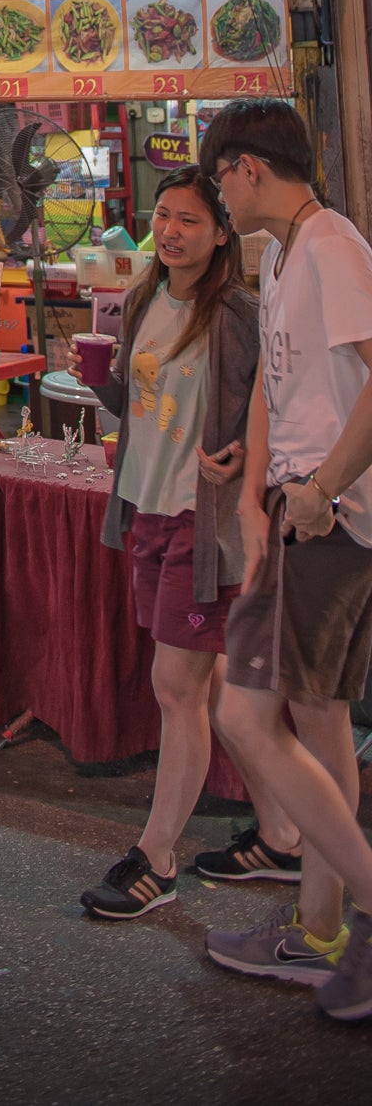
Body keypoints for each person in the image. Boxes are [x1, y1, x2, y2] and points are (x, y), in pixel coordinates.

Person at [77, 168, 298, 919]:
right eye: (163, 217)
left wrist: (241, 453)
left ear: (222, 231)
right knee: (214, 689)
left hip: (204, 525)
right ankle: (283, 834)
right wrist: (99, 381)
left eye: (190, 222)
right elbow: (137, 404)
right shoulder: (144, 297)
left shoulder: (239, 312)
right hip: (148, 508)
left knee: (178, 689)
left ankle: (157, 856)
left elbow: (277, 407)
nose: (170, 232)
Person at [194, 100, 372, 1017]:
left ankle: (362, 920)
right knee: (322, 726)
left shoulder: (335, 246)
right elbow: (277, 377)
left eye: (218, 173)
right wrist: (255, 483)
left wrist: (324, 489)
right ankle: (318, 932)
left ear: (250, 167)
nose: (216, 191)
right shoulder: (281, 253)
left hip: (330, 524)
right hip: (297, 514)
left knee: (247, 718)